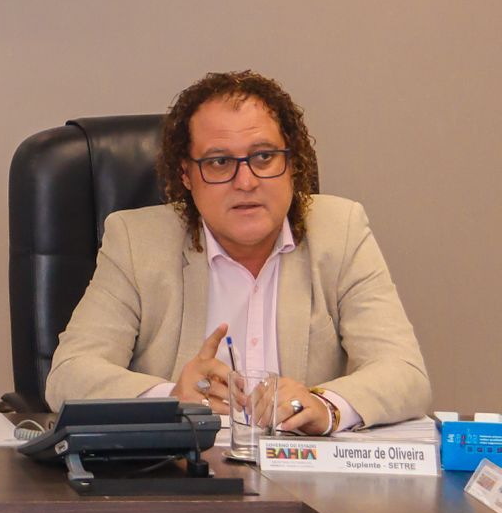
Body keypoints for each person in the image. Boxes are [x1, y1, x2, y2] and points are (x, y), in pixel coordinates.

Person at [45, 71, 431, 434]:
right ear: (186, 175)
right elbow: (69, 374)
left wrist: (324, 405)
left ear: (292, 164)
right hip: (182, 472)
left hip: (303, 471)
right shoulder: (137, 241)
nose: (245, 182)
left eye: (263, 157)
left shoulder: (339, 231)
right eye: (219, 162)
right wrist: (171, 399)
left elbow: (404, 371)